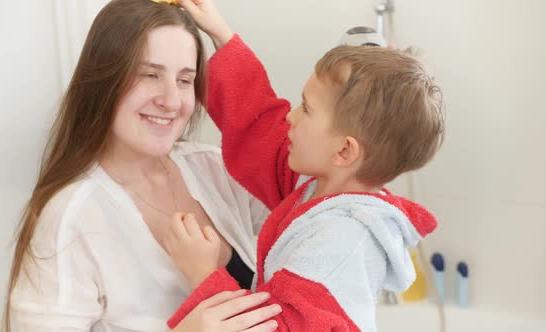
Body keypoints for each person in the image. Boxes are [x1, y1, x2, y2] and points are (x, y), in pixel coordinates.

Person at [163, 0, 445, 331]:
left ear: (343, 150)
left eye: (306, 109)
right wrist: (221, 35)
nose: (290, 116)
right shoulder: (325, 188)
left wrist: (204, 273)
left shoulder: (339, 244)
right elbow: (262, 132)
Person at [4, 0, 282, 331]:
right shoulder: (70, 218)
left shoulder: (214, 169)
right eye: (149, 75)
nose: (171, 100)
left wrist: (225, 40)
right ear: (103, 81)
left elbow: (306, 186)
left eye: (184, 80)